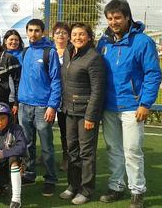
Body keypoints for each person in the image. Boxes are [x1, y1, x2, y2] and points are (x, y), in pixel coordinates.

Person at [97, 0, 162, 208]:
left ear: (127, 17)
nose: (113, 22)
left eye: (117, 17)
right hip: (108, 107)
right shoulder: (103, 42)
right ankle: (116, 186)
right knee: (113, 149)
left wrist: (145, 103)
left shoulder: (143, 42)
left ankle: (137, 191)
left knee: (132, 150)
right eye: (109, 18)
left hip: (133, 107)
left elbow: (153, 74)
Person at [59, 23, 107, 205]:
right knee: (72, 151)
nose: (77, 37)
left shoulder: (94, 58)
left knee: (86, 153)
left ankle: (86, 190)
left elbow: (98, 90)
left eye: (81, 34)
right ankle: (73, 185)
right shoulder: (68, 52)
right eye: (74, 34)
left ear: (89, 37)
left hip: (85, 113)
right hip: (68, 111)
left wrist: (90, 116)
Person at [18, 18, 62, 196]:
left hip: (43, 107)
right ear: (27, 32)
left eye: (37, 30)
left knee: (46, 147)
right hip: (24, 106)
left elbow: (57, 81)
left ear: (43, 32)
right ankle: (29, 173)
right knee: (27, 144)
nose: (33, 34)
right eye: (30, 30)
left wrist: (52, 106)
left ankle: (50, 178)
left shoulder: (49, 52)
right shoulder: (25, 52)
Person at [52, 22, 71, 171]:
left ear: (68, 36)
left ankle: (66, 156)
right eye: (58, 32)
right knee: (44, 128)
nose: (61, 35)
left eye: (64, 32)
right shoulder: (47, 51)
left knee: (65, 129)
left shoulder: (73, 52)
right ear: (53, 36)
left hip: (66, 97)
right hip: (50, 96)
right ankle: (48, 153)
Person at [3, 30, 25, 120]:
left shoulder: (24, 54)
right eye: (11, 39)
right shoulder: (0, 55)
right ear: (5, 41)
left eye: (16, 40)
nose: (14, 42)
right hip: (4, 96)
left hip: (21, 94)